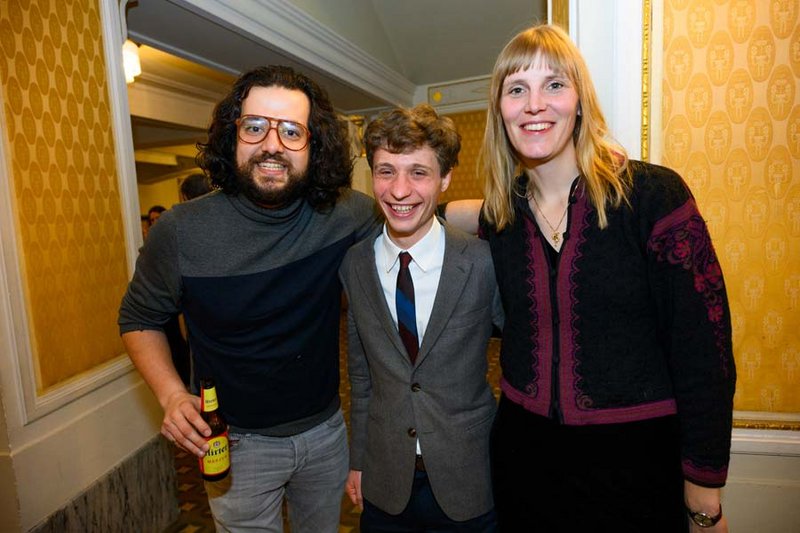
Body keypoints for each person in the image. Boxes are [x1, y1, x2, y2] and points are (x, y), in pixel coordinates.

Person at [476, 25, 736, 532]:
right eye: (516, 89)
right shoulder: (498, 219)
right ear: (500, 110)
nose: (534, 104)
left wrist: (704, 491)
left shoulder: (652, 197)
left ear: (579, 102)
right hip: (524, 463)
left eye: (554, 84)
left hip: (637, 468)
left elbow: (705, 350)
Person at [118, 65, 383, 532]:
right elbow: (139, 317)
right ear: (232, 135)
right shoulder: (180, 232)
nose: (272, 145)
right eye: (255, 126)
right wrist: (172, 394)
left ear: (315, 145)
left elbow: (412, 219)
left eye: (292, 132)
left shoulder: (348, 215)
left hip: (325, 432)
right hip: (235, 447)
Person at [341, 104, 503, 532]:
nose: (399, 190)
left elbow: (527, 361)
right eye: (386, 171)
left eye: (418, 172)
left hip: (469, 475)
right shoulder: (355, 264)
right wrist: (358, 461)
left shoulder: (482, 262)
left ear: (445, 178)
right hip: (385, 478)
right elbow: (361, 377)